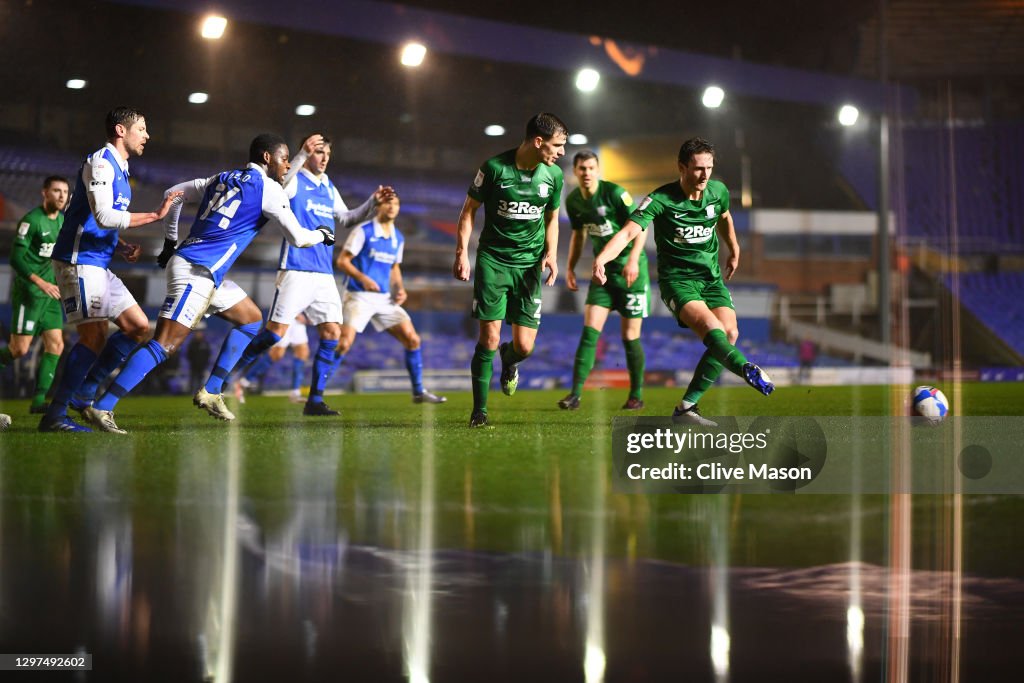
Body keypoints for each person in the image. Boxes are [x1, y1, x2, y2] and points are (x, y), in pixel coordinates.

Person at [80, 133, 335, 434]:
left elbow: (174, 192)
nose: (288, 165)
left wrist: (170, 241)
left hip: (202, 270)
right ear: (268, 158)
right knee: (164, 345)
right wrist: (322, 234)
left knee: (251, 320)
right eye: (284, 158)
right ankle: (103, 406)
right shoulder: (270, 190)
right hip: (196, 272)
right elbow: (298, 238)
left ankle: (212, 391)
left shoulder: (221, 177)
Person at [592, 137, 774, 425]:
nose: (705, 175)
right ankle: (745, 368)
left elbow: (725, 217)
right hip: (678, 282)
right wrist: (603, 258)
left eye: (709, 168)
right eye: (698, 168)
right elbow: (628, 233)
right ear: (682, 167)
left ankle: (686, 408)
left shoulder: (718, 192)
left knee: (729, 333)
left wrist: (735, 248)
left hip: (711, 280)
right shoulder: (660, 200)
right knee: (711, 328)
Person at [228, 133, 393, 417]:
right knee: (275, 334)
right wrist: (302, 154)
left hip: (323, 273)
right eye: (319, 152)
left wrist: (372, 204)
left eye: (327, 153)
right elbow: (282, 184)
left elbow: (347, 218)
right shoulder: (294, 181)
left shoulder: (328, 185)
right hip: (295, 268)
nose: (325, 157)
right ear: (307, 153)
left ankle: (315, 400)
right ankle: (228, 375)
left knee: (332, 332)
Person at [39, 107, 181, 432]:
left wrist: (119, 245)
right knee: (94, 336)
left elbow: (93, 218)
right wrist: (155, 216)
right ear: (121, 130)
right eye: (142, 129)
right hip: (78, 260)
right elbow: (103, 216)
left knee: (137, 326)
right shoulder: (101, 161)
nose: (147, 135)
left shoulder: (122, 167)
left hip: (99, 261)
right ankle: (55, 415)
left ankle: (84, 395)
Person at [454, 113, 567, 428]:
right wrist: (462, 253)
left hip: (529, 267)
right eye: (557, 146)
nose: (561, 153)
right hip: (493, 262)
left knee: (524, 347)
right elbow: (468, 212)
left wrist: (552, 254)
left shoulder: (554, 176)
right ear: (538, 141)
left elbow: (552, 218)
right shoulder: (493, 169)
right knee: (489, 337)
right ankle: (480, 412)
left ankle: (510, 360)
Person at [559, 151, 648, 411]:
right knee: (589, 332)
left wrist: (633, 260)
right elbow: (578, 236)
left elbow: (640, 227)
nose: (586, 173)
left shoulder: (615, 193)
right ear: (575, 172)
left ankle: (636, 395)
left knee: (630, 336)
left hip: (631, 274)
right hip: (603, 274)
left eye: (590, 168)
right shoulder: (574, 200)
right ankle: (574, 394)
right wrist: (571, 266)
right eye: (581, 168)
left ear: (598, 170)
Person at [335, 195, 446, 404]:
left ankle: (419, 392)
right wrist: (363, 278)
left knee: (413, 340)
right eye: (388, 202)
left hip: (384, 299)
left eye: (396, 203)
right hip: (358, 295)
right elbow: (342, 261)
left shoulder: (398, 238)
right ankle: (317, 394)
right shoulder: (363, 231)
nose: (392, 206)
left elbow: (394, 267)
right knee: (343, 344)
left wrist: (400, 289)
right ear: (378, 207)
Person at [0, 176, 69, 413]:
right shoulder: (31, 220)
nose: (61, 196)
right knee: (19, 349)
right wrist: (40, 283)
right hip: (30, 293)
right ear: (45, 193)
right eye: (56, 191)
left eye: (65, 192)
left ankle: (38, 403)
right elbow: (16, 259)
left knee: (56, 344)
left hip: (51, 296)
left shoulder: (62, 221)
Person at [235, 314, 310, 403]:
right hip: (286, 317)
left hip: (298, 322)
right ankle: (243, 383)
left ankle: (295, 393)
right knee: (276, 354)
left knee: (302, 353)